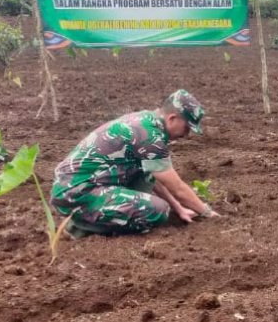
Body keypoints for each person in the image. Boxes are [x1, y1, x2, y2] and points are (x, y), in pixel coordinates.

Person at [50, 90, 219, 238]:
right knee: (157, 210)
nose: (187, 134)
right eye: (187, 128)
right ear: (172, 118)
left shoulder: (146, 121)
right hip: (77, 193)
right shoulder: (150, 136)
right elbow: (177, 187)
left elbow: (153, 177)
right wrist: (206, 212)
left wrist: (179, 208)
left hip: (78, 187)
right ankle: (82, 229)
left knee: (144, 181)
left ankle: (91, 217)